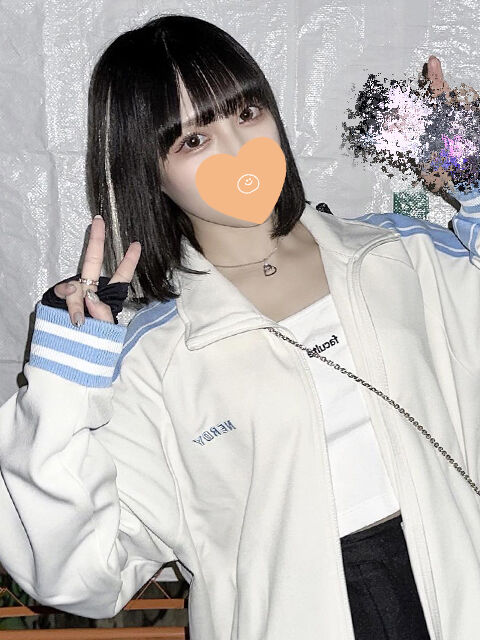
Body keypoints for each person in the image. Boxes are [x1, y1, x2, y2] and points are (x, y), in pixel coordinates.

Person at [1, 13, 479, 640]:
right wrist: (62, 385)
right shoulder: (152, 355)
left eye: (247, 113)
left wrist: (470, 166)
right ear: (148, 171)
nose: (238, 151)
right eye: (193, 141)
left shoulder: (406, 255)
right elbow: (78, 575)